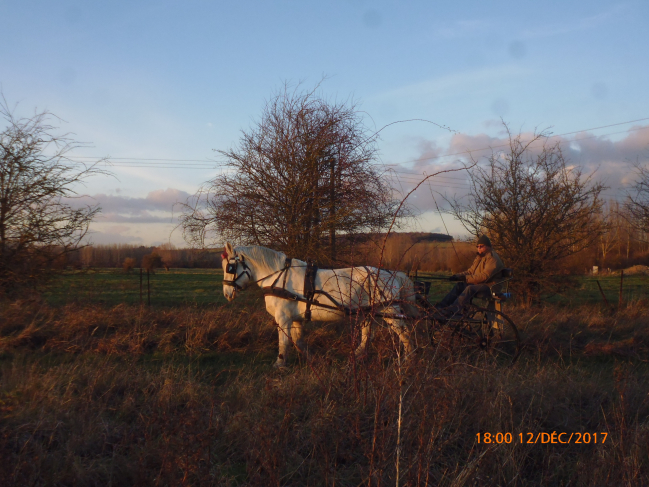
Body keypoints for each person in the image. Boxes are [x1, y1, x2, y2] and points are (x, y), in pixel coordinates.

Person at [436, 235, 505, 317]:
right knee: (460, 286)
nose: (479, 248)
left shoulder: (493, 259)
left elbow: (485, 276)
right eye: (478, 246)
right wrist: (457, 276)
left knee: (469, 289)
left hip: (491, 287)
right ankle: (441, 307)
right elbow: (470, 271)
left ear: (489, 246)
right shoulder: (480, 257)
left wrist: (466, 278)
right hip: (481, 284)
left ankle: (452, 311)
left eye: (481, 246)